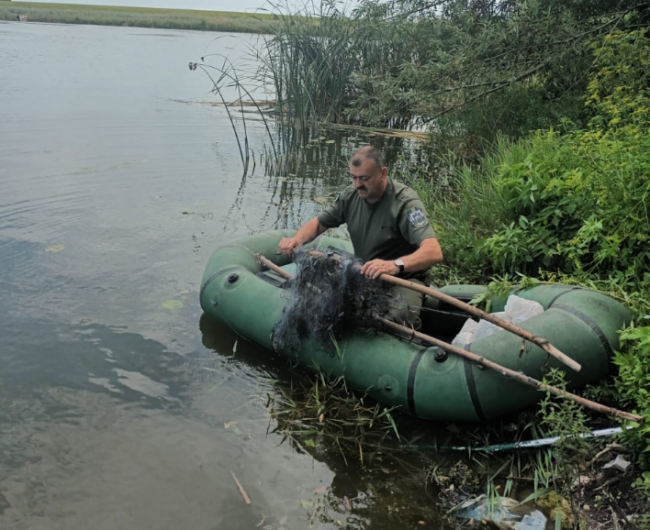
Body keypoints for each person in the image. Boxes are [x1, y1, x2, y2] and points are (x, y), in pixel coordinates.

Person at [279, 146, 443, 327]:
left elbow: (433, 251)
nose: (358, 184)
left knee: (396, 321)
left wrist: (395, 265)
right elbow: (319, 223)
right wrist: (296, 240)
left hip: (404, 279)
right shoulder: (350, 195)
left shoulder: (405, 203)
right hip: (366, 273)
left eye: (364, 178)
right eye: (353, 177)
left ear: (383, 173)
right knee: (324, 303)